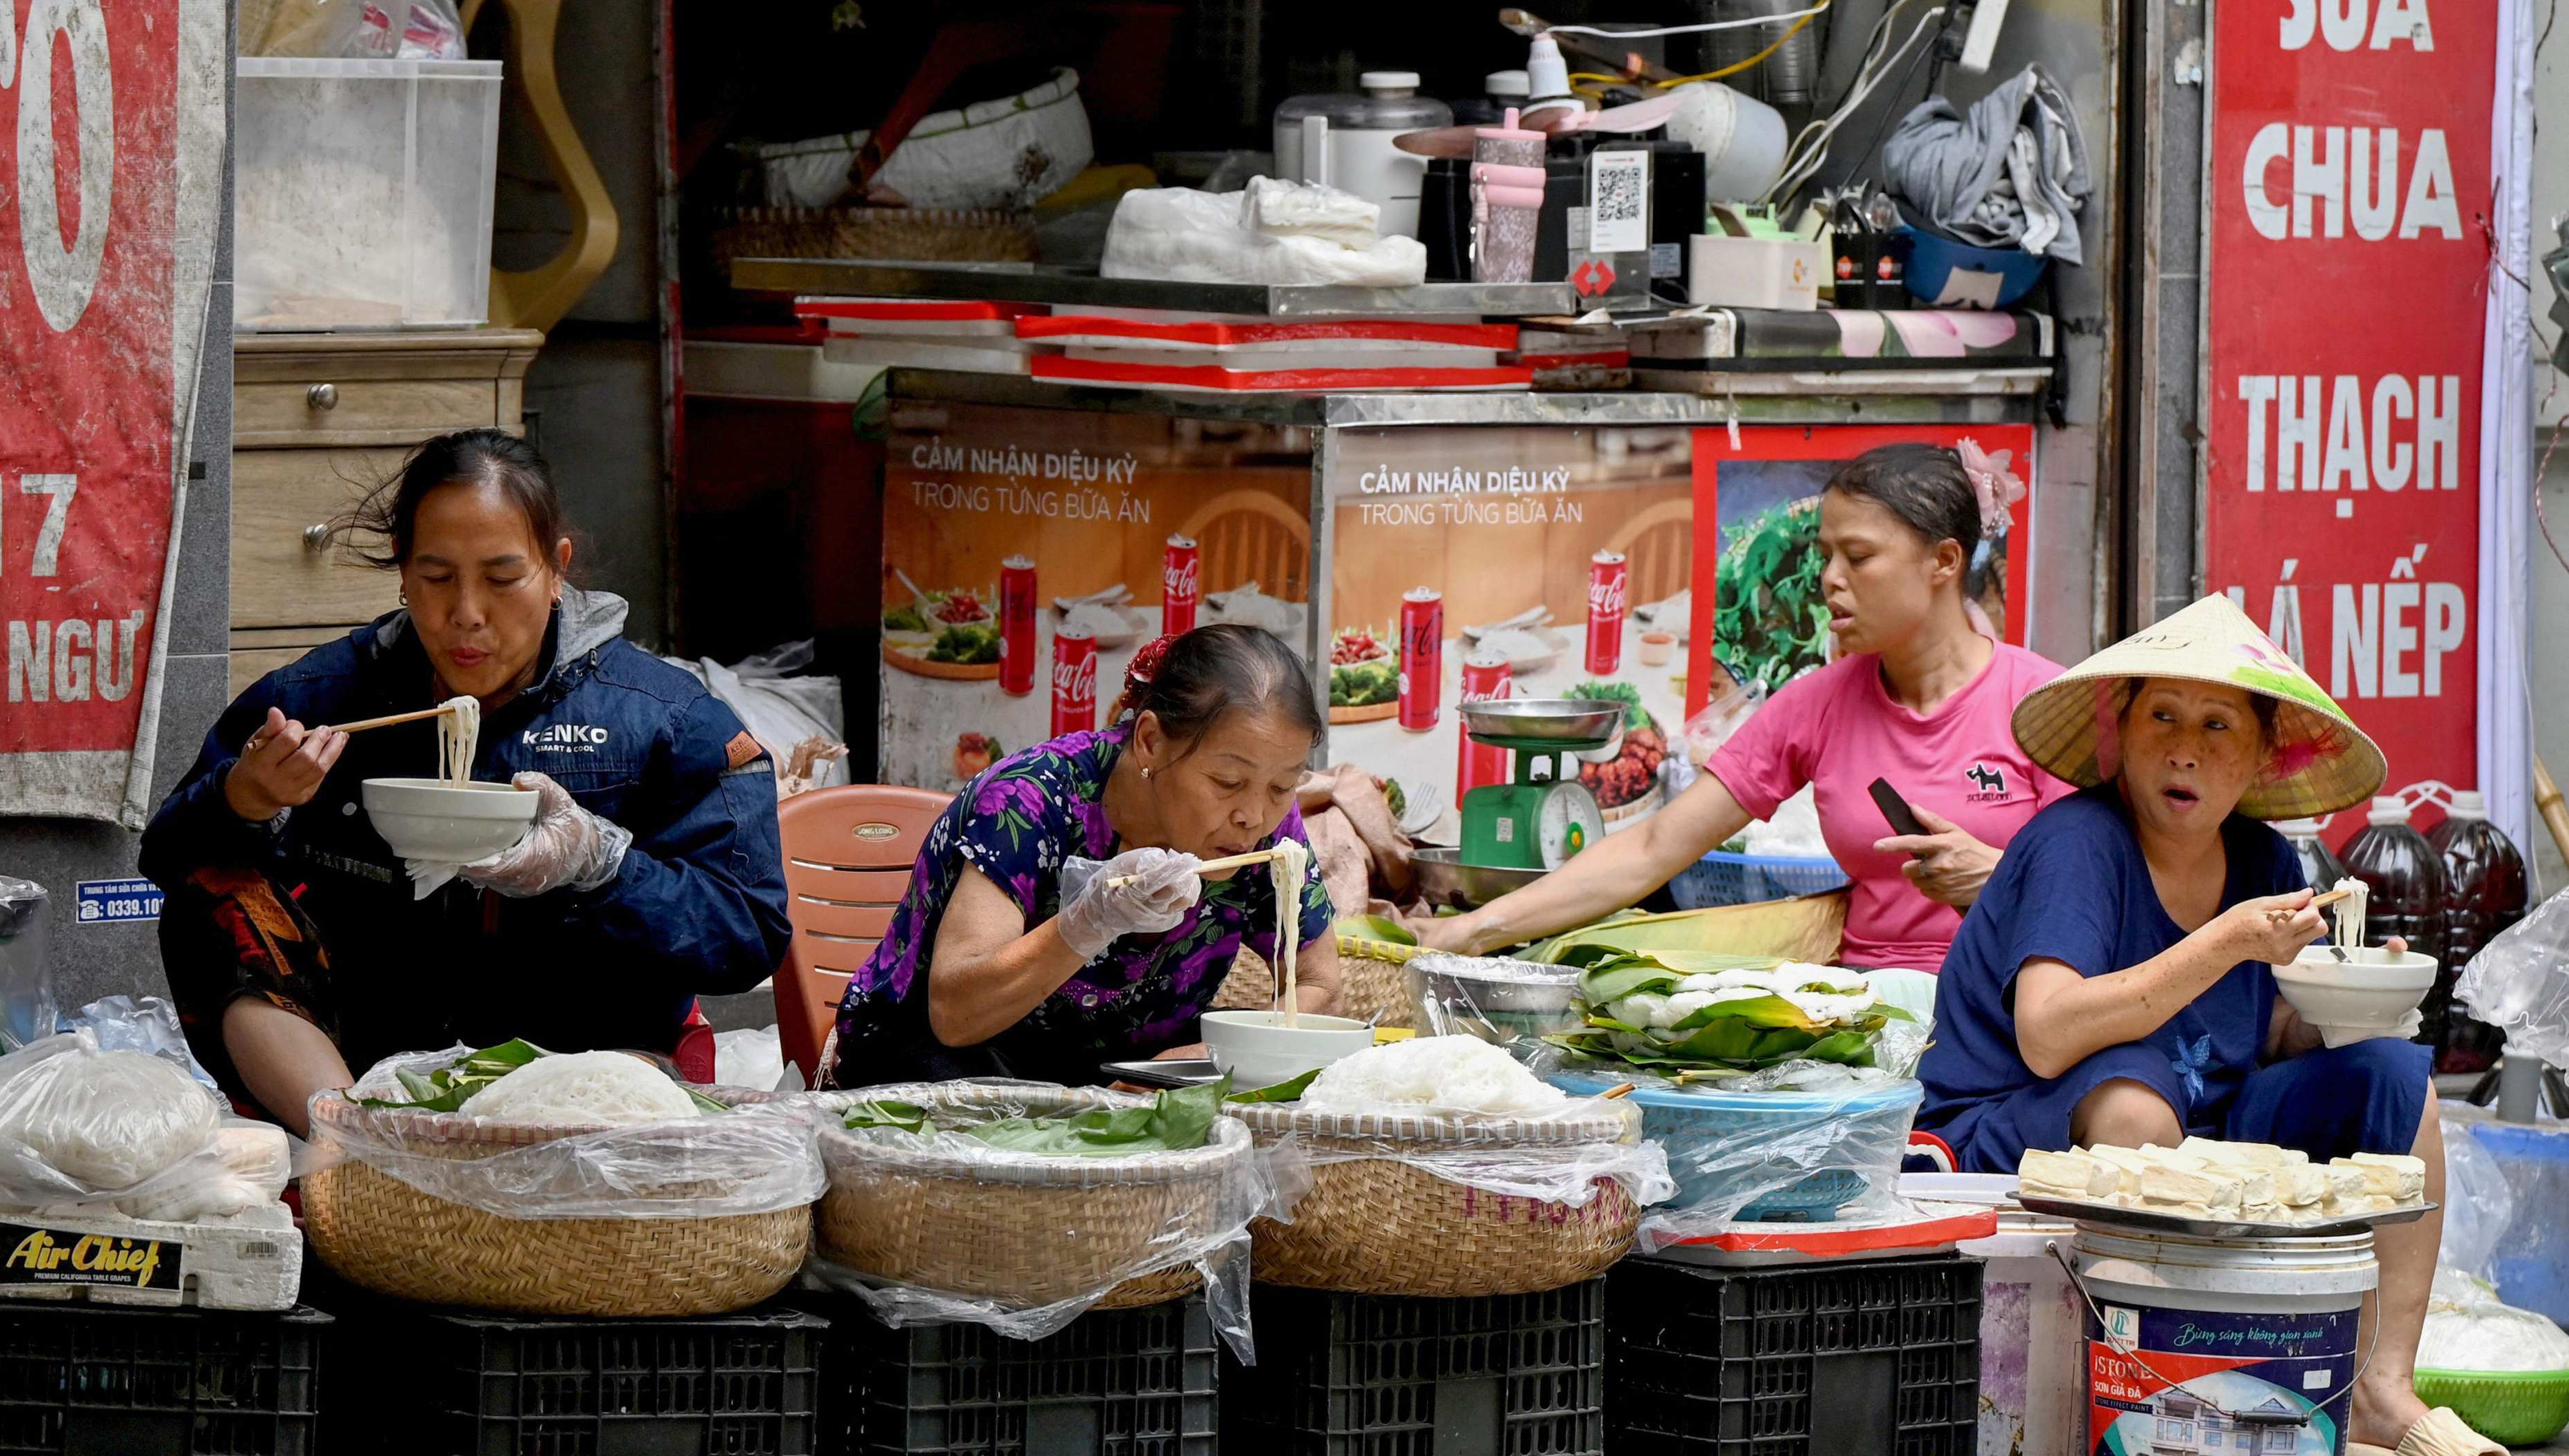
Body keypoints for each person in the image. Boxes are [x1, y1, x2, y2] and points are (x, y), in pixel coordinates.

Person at [1919, 594, 2530, 1456]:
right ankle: (2163, 1397)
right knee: (2136, 1105)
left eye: (2215, 726)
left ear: (2255, 759)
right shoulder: (2077, 845)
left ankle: (2375, 1393)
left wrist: (2353, 999)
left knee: (2398, 1082)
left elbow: (2263, 1035)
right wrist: (2222, 943)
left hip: (2197, 1132)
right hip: (2008, 1135)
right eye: (2158, 716)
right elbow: (2046, 1034)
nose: (2184, 748)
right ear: (2116, 732)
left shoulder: (2262, 864)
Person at [138, 430, 789, 1133]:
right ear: (402, 573)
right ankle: (349, 1137)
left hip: (584, 1079)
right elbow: (169, 862)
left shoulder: (667, 718)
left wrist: (599, 861)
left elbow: (749, 934)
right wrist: (246, 798)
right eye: (437, 577)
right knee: (213, 887)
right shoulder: (321, 698)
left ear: (556, 568)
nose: (467, 615)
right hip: (358, 1067)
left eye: (503, 578)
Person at [1416, 440, 2062, 975]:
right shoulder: (1819, 703)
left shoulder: (2044, 706)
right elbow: (1653, 845)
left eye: (1857, 557)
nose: (1829, 580)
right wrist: (1473, 932)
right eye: (1824, 555)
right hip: (1869, 1007)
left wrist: (2003, 878)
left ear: (1944, 561)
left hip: (2012, 1001)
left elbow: (2119, 894)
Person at [829, 623, 1339, 1088]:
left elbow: (1318, 984)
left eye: (1282, 785)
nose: (1253, 813)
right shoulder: (1031, 800)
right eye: (1227, 781)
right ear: (1150, 742)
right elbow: (955, 1013)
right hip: (948, 1070)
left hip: (1127, 1078)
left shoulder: (1267, 828)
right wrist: (1087, 924)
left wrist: (1205, 1057)